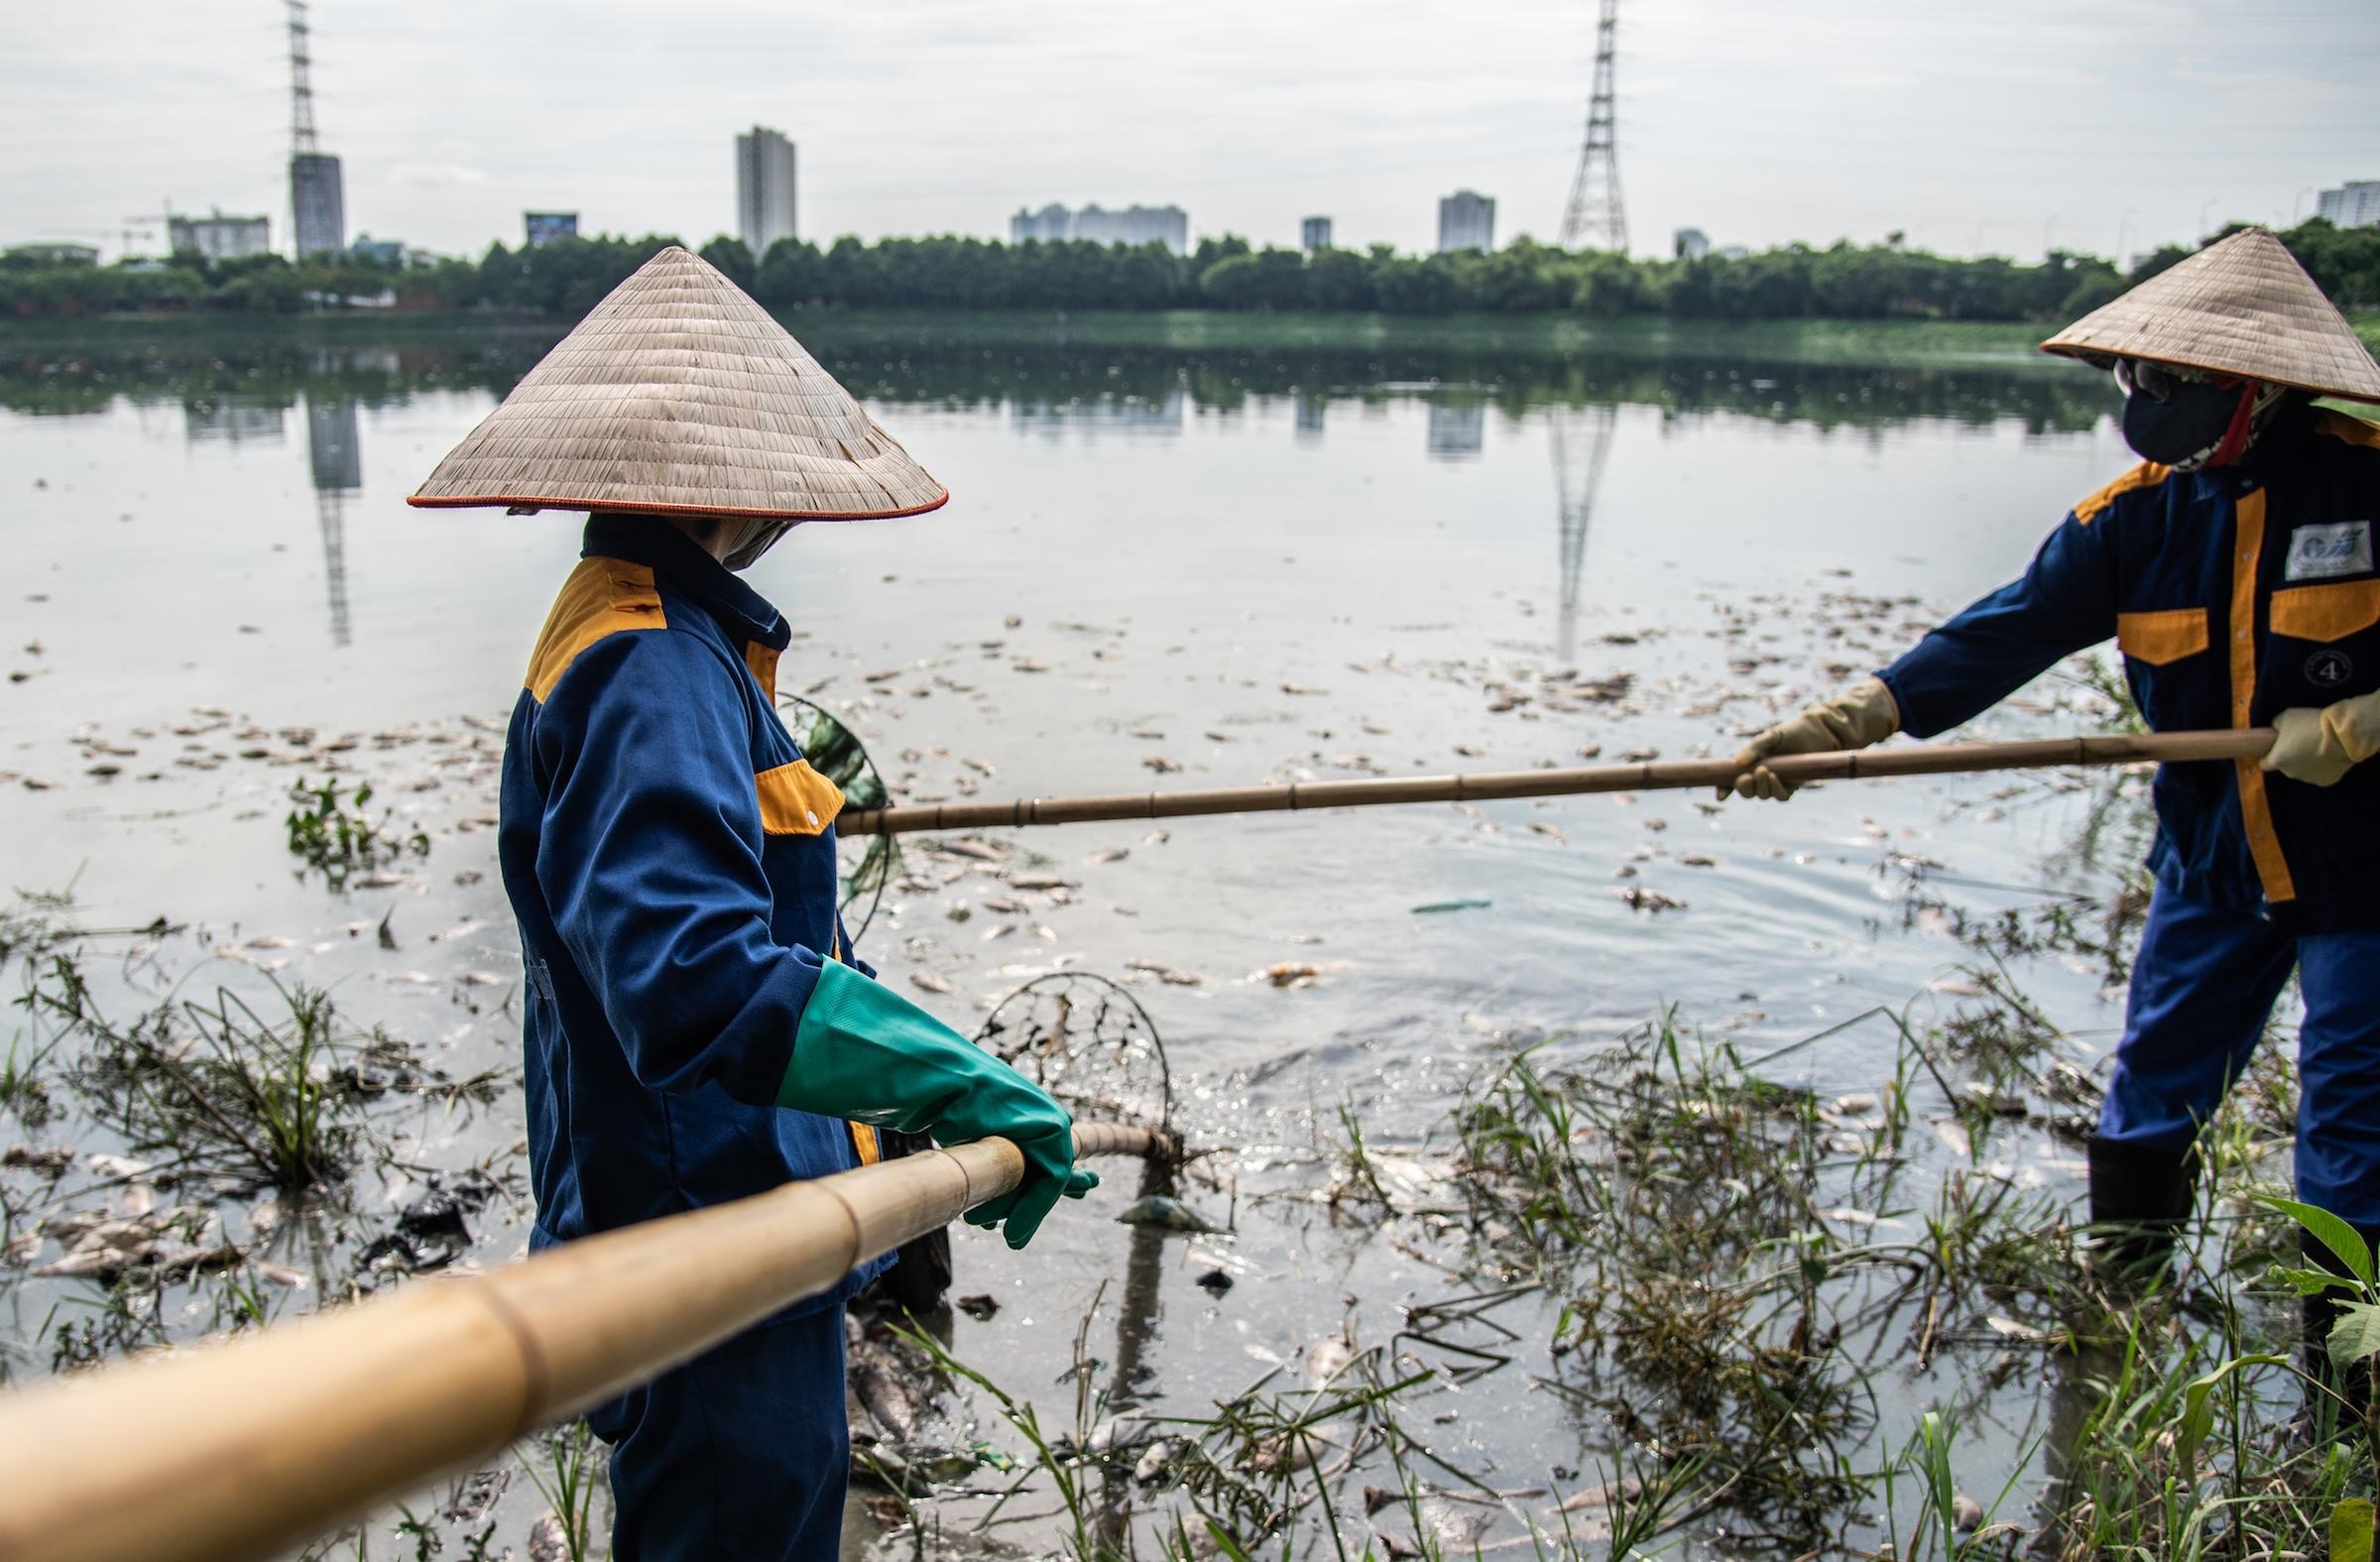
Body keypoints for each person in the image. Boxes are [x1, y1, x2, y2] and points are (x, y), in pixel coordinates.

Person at [410, 246, 1097, 1559]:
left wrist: (892, 1110)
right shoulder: (652, 664)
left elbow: (761, 928)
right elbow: (694, 977)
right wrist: (950, 1079)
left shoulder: (652, 630)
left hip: (735, 1226)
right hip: (704, 1249)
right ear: (740, 491)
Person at [1722, 229, 2380, 1406]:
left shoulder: (2370, 481)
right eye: (2138, 377)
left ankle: (2347, 1398)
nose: (2149, 401)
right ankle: (2116, 1327)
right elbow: (2006, 630)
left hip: (2366, 866)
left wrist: (2367, 721)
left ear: (2259, 386)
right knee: (2154, 1084)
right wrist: (1849, 721)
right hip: (2213, 858)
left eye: (2175, 381)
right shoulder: (2131, 522)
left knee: (2353, 1119)